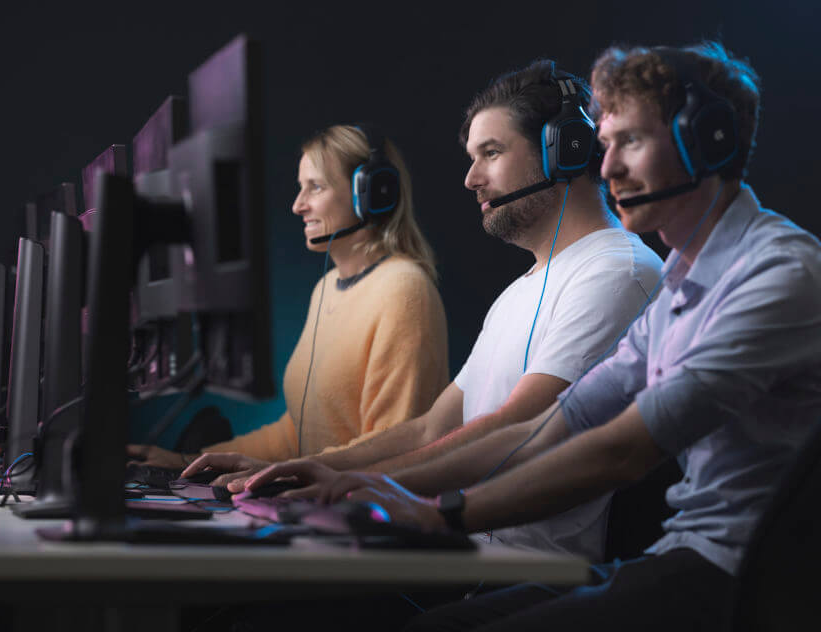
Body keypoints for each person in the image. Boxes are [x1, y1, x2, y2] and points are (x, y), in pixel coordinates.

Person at [261, 42, 821, 632]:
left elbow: (622, 449)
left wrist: (444, 513)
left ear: (708, 140)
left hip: (743, 579)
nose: (606, 169)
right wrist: (366, 483)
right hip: (680, 556)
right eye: (605, 146)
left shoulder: (775, 274)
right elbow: (558, 422)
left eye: (631, 141)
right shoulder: (685, 281)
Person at [186, 61, 663, 562]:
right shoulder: (519, 293)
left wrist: (357, 482)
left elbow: (521, 424)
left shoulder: (615, 272)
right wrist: (304, 468)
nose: (470, 179)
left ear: (563, 150)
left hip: (528, 569)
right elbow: (431, 427)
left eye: (491, 153)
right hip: (466, 550)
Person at [128, 125, 450, 467]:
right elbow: (296, 433)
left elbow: (393, 448)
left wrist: (280, 474)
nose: (298, 206)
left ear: (371, 194)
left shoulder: (403, 290)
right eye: (301, 188)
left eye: (316, 187)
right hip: (317, 499)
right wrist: (187, 461)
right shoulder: (326, 288)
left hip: (365, 508)